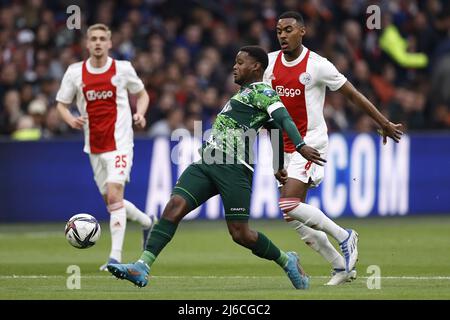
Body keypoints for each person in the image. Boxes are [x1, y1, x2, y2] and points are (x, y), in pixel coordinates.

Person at [106, 46, 327, 289]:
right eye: (235, 61)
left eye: (240, 62)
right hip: (207, 161)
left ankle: (287, 261)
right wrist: (277, 165)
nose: (235, 66)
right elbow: (273, 128)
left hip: (235, 167)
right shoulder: (244, 94)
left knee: (240, 234)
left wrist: (300, 145)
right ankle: (142, 266)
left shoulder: (264, 91)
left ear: (256, 67)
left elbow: (283, 120)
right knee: (174, 207)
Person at [263, 12, 404, 285]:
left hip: (311, 142)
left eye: (289, 29)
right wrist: (277, 159)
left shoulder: (318, 65)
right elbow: (269, 115)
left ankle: (345, 236)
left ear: (302, 31)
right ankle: (340, 267)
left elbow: (352, 94)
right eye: (279, 30)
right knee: (291, 214)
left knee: (289, 203)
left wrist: (384, 122)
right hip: (283, 145)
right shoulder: (268, 64)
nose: (282, 35)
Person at [55, 24, 157, 271]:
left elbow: (143, 95)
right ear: (87, 44)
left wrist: (140, 114)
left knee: (114, 196)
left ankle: (115, 259)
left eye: (102, 38)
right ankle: (147, 222)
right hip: (94, 147)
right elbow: (61, 104)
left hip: (120, 144)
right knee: (113, 204)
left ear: (110, 43)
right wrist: (71, 120)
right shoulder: (75, 72)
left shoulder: (123, 69)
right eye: (94, 39)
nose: (98, 42)